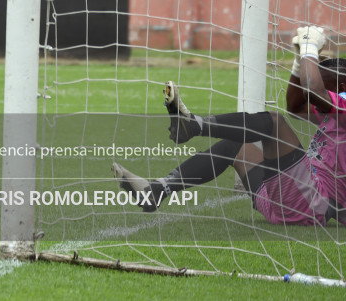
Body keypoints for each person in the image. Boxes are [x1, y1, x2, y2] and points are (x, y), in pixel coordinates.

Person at [114, 25, 345, 227]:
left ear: (342, 86)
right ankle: (156, 191)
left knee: (274, 123)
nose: (314, 78)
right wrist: (297, 63)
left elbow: (313, 90)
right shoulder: (335, 112)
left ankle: (194, 125)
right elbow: (295, 106)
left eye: (325, 80)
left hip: (308, 204)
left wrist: (309, 47)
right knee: (236, 145)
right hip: (284, 196)